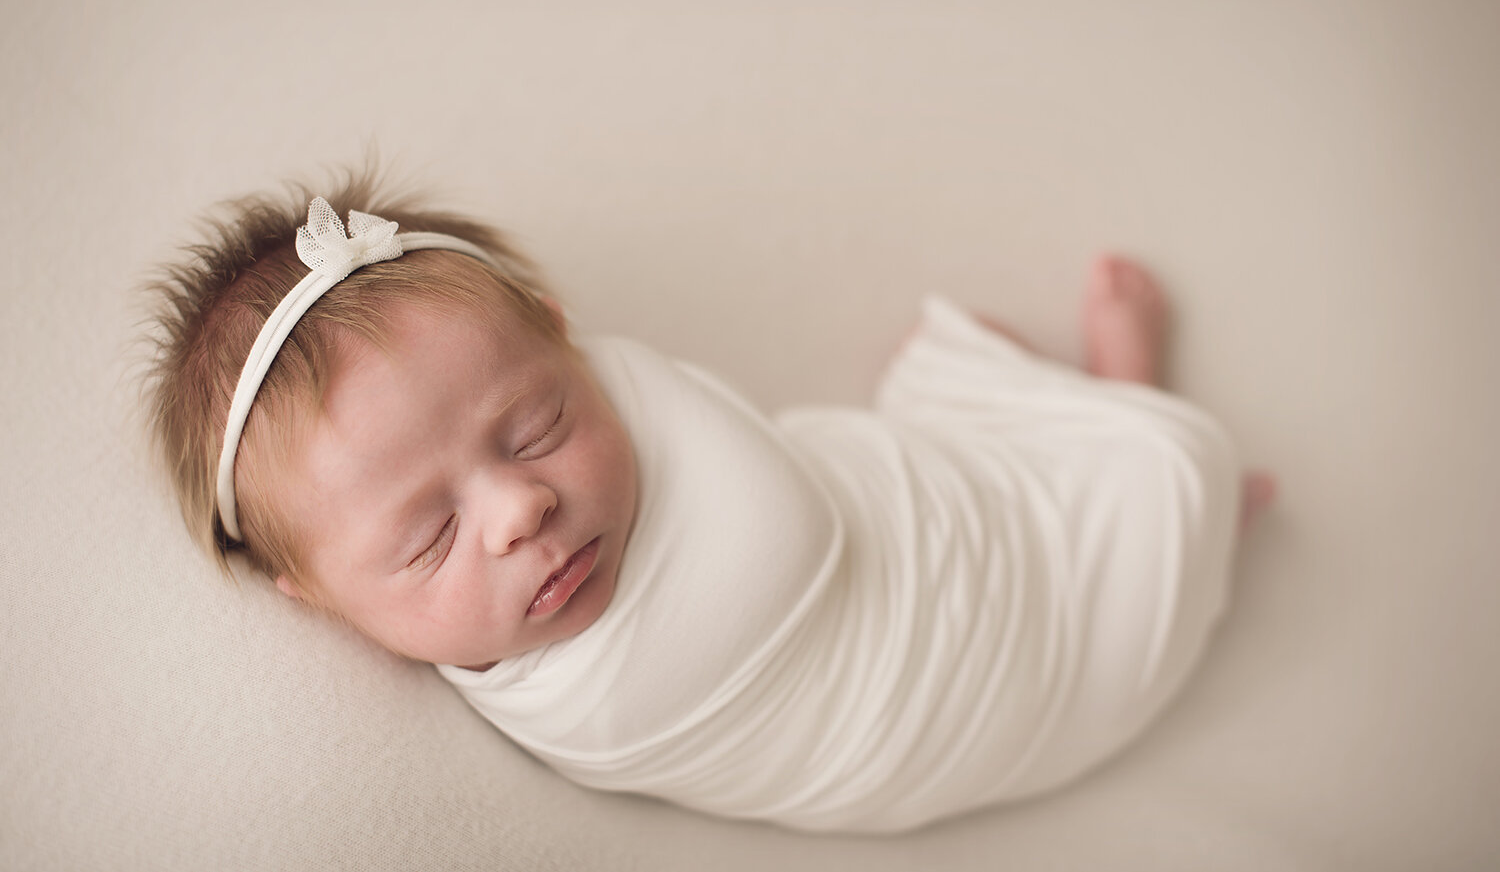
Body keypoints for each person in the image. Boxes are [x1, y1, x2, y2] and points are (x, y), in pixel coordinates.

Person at [141, 165, 1273, 833]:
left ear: (561, 345)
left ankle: (1089, 436)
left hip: (909, 528)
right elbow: (790, 519)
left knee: (950, 453)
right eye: (431, 536)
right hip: (1022, 669)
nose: (519, 511)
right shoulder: (607, 686)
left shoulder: (501, 558)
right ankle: (1142, 429)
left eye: (537, 425)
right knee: (1156, 516)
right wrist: (568, 376)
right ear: (316, 594)